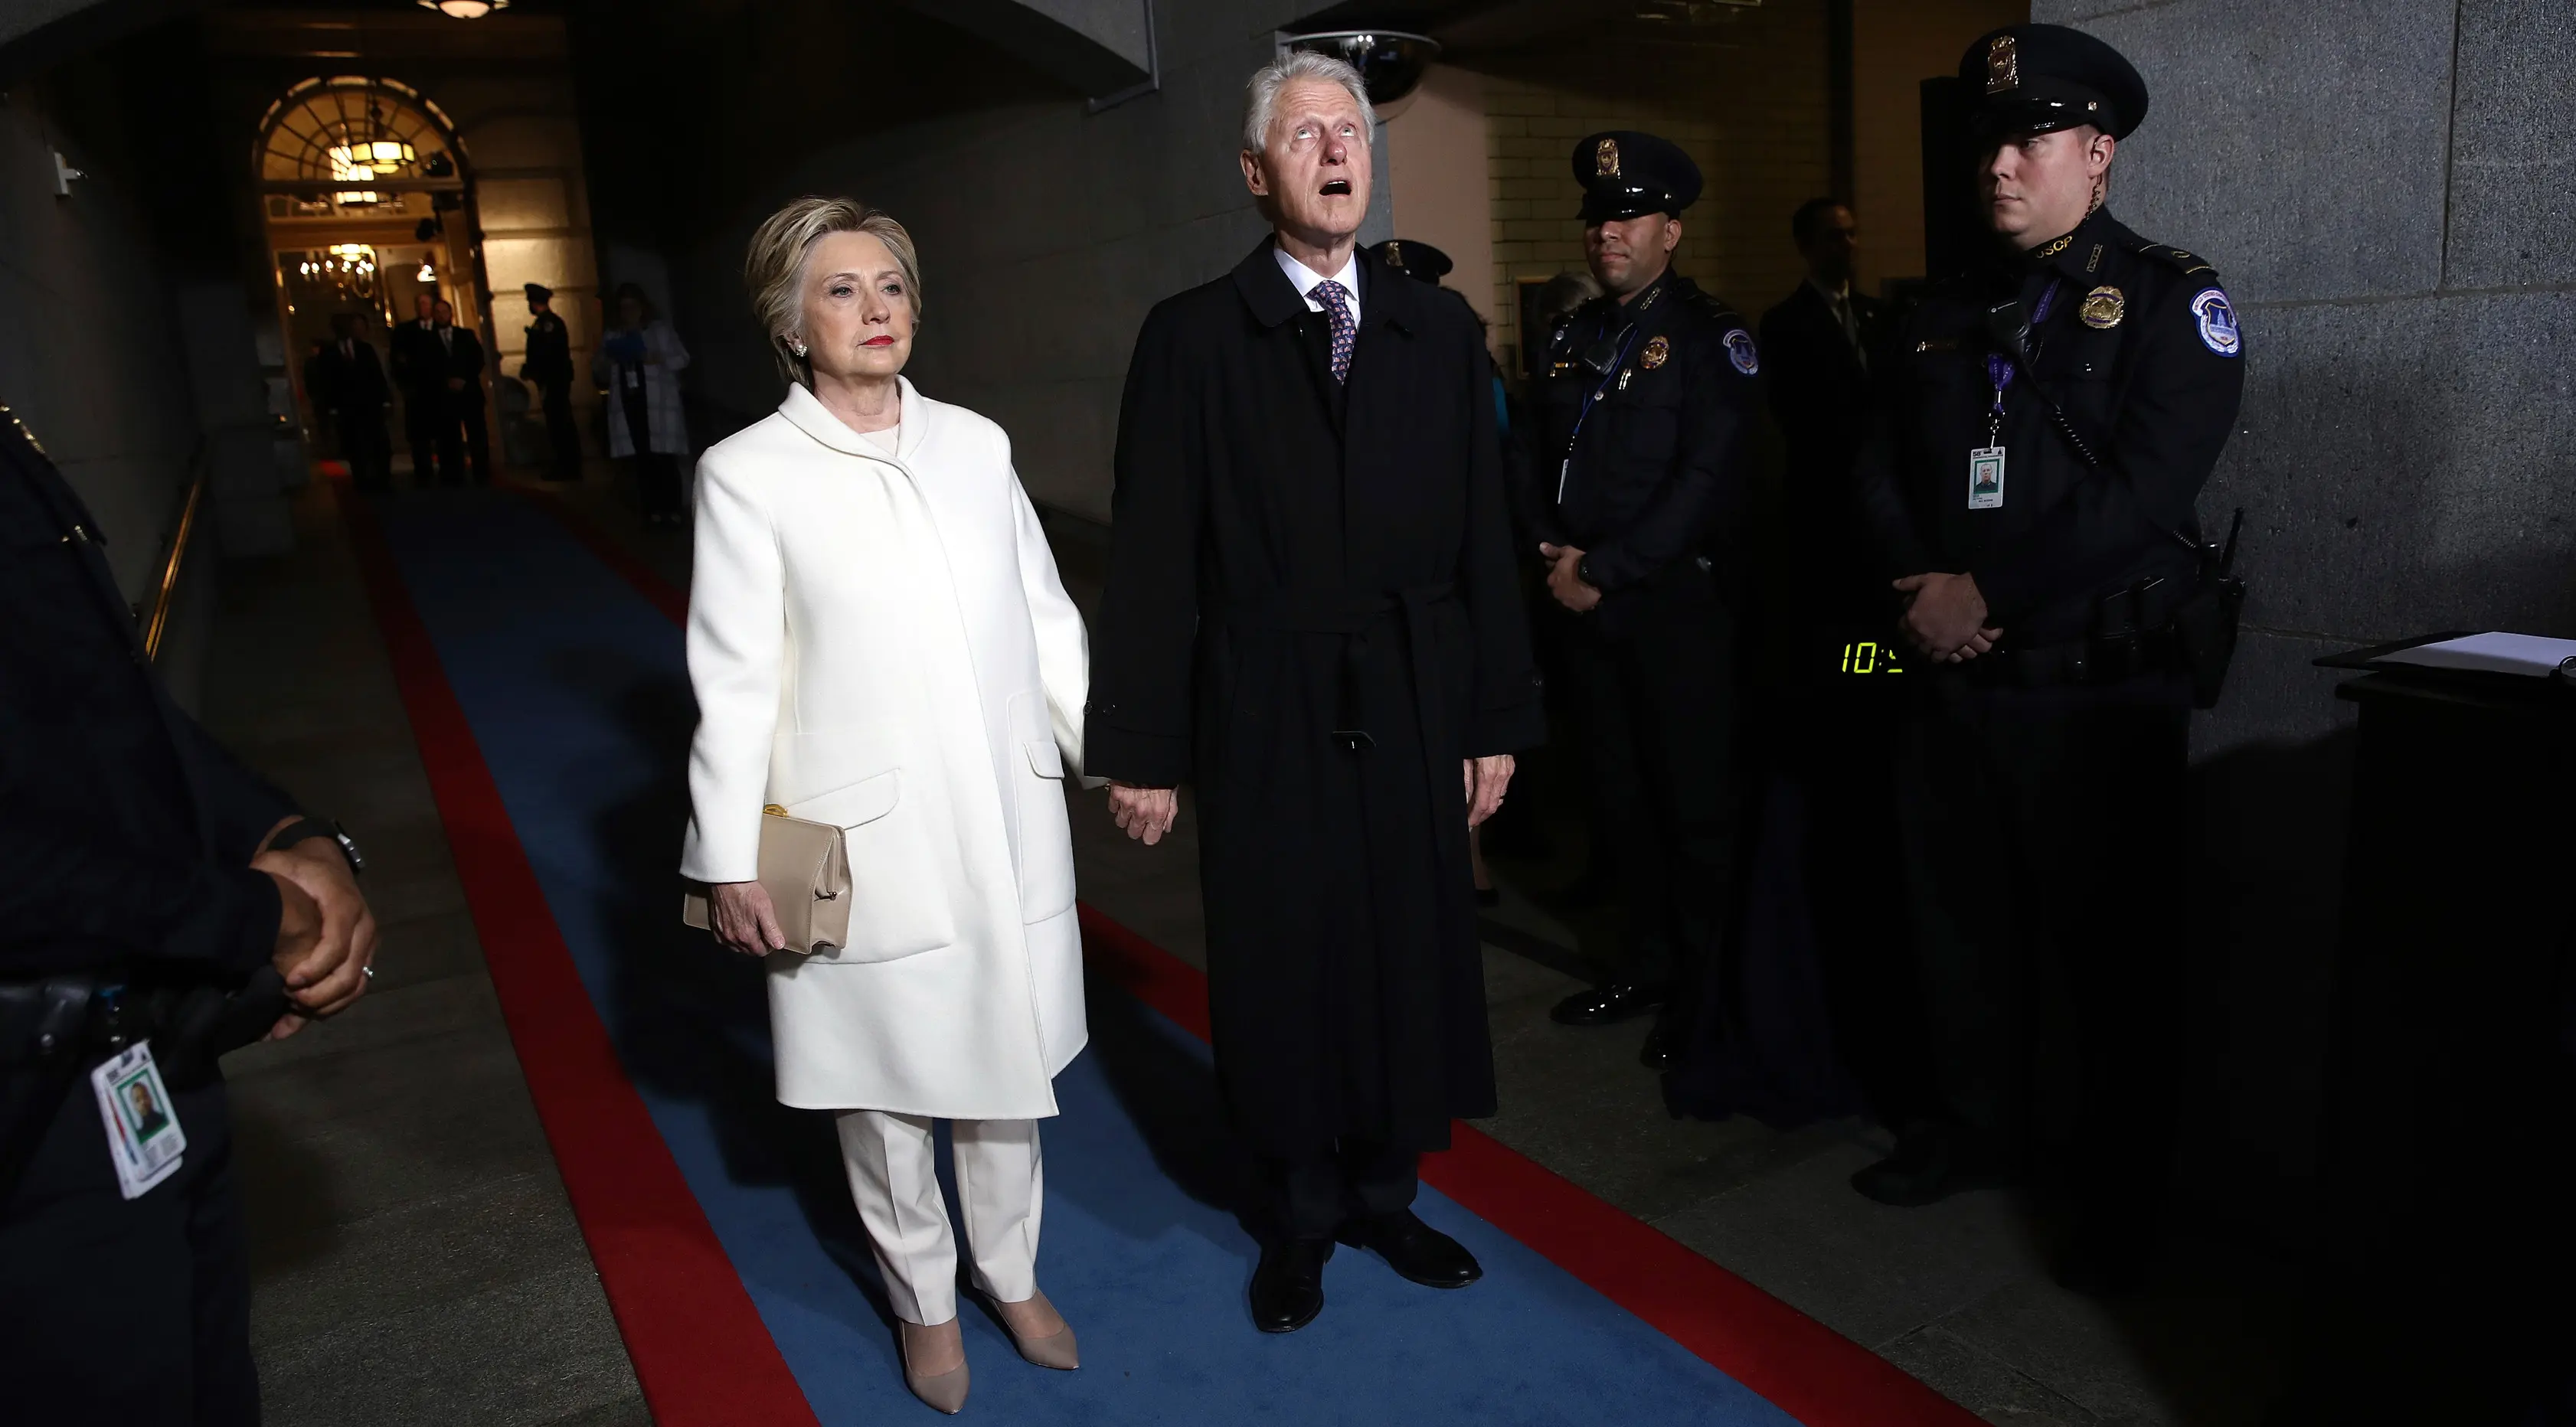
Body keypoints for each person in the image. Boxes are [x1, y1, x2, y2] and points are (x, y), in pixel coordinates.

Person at [1087, 51, 1544, 1335]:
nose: (1338, 150)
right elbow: (1155, 552)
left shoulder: (1434, 330)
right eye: (1305, 134)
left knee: (1406, 940)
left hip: (1407, 688)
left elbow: (1480, 547)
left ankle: (1386, 1190)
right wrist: (1142, 744)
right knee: (1284, 949)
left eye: (1351, 130)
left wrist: (1492, 719)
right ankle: (1295, 1212)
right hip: (1261, 696)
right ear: (1254, 173)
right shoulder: (1190, 338)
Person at [681, 196, 1093, 1415]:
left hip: (1007, 819)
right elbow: (733, 676)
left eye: (894, 288)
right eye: (844, 291)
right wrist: (725, 857)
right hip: (864, 842)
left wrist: (1106, 754)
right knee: (885, 1094)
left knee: (1009, 1073)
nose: (877, 311)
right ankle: (923, 1304)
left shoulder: (978, 443)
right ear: (791, 321)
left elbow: (1047, 613)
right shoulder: (747, 474)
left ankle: (1011, 1275)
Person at [1849, 24, 2244, 1293]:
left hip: (2094, 691)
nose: (1999, 165)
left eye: (2027, 139)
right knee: (1950, 930)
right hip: (1951, 675)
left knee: (2110, 961)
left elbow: (2139, 493)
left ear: (2094, 151)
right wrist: (1919, 589)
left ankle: (2117, 1193)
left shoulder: (2170, 300)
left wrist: (1987, 588)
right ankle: (1971, 1132)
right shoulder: (1933, 307)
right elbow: (1872, 463)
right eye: (1988, 141)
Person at [0, 400, 379, 1425]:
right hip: (30, 1110)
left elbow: (102, 711)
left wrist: (285, 829)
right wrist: (250, 920)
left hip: (137, 1051)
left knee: (205, 1378)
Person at [1524, 131, 1760, 1072]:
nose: (1606, 233)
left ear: (1672, 227)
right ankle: (1645, 965)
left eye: (1626, 216)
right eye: (1596, 218)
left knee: (1691, 810)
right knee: (1617, 801)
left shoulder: (1712, 339)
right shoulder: (1576, 338)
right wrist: (1547, 550)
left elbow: (1707, 483)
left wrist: (1605, 568)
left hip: (1672, 612)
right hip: (1584, 606)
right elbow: (1532, 462)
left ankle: (1707, 993)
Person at [595, 282, 692, 526]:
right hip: (630, 404)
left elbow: (682, 358)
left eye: (632, 306)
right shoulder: (614, 334)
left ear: (642, 307)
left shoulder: (658, 331)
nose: (628, 312)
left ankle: (672, 510)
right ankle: (652, 512)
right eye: (623, 307)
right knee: (643, 461)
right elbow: (598, 367)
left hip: (658, 404)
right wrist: (609, 359)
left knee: (664, 458)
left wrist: (657, 358)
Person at [312, 312, 393, 490]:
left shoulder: (365, 349)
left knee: (380, 445)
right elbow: (325, 381)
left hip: (370, 406)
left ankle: (383, 480)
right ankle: (362, 482)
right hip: (346, 408)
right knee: (354, 447)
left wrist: (385, 400)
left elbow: (377, 376)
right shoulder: (329, 353)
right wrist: (331, 407)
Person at [521, 282, 582, 482]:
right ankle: (566, 464)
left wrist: (535, 371)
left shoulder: (549, 324)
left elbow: (549, 354)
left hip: (554, 381)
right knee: (557, 422)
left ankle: (568, 465)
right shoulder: (543, 323)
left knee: (560, 423)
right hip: (551, 381)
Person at [426, 299, 490, 486]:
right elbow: (427, 367)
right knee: (448, 436)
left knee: (477, 433)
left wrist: (464, 379)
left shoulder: (466, 335)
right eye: (437, 312)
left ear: (451, 314)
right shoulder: (428, 340)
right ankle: (453, 473)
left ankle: (482, 471)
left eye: (444, 312)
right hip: (444, 396)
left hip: (469, 392)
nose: (441, 315)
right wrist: (447, 381)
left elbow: (478, 360)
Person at [389, 292, 443, 485]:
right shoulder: (404, 331)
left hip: (439, 393)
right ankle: (423, 471)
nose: (423, 307)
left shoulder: (442, 330)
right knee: (419, 436)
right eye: (420, 304)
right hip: (416, 392)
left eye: (427, 304)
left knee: (443, 433)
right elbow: (397, 361)